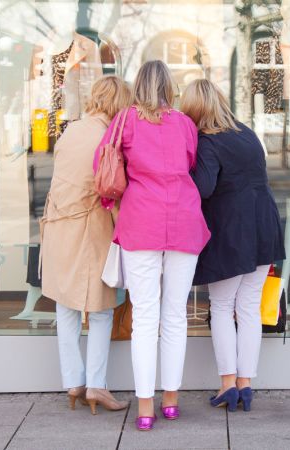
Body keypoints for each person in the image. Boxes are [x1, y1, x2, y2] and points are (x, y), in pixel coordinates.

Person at [94, 61, 210, 431]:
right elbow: (189, 163)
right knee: (175, 314)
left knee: (145, 315)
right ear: (170, 87)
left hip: (140, 222)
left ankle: (146, 407)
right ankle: (171, 400)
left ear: (138, 86)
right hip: (184, 220)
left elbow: (103, 163)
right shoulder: (185, 124)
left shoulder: (125, 121)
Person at [180, 79, 285, 412]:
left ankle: (227, 384)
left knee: (223, 306)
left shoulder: (208, 141)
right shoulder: (247, 133)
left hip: (231, 231)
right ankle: (246, 384)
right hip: (263, 225)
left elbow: (204, 188)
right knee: (249, 307)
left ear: (195, 110)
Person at [40, 75, 132, 415]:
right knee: (101, 310)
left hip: (58, 225)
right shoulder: (110, 138)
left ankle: (73, 382)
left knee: (65, 306)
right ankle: (96, 384)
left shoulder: (72, 130)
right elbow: (113, 188)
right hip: (90, 226)